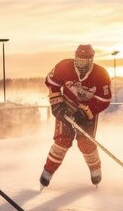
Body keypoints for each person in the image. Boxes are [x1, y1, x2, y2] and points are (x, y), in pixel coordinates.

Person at [40, 44, 112, 188]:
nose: (82, 64)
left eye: (86, 60)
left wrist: (86, 111)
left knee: (85, 143)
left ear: (92, 60)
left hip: (87, 109)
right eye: (79, 60)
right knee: (62, 140)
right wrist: (56, 103)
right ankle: (47, 172)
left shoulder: (101, 74)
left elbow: (104, 100)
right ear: (75, 57)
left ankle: (95, 168)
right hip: (66, 106)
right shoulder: (64, 66)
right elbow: (51, 83)